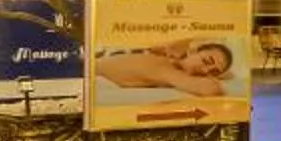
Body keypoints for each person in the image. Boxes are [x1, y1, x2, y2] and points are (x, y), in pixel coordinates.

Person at [95, 39, 236, 97]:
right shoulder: (164, 59)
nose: (205, 71)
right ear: (193, 51)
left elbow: (212, 89)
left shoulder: (170, 72)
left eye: (213, 71)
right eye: (206, 61)